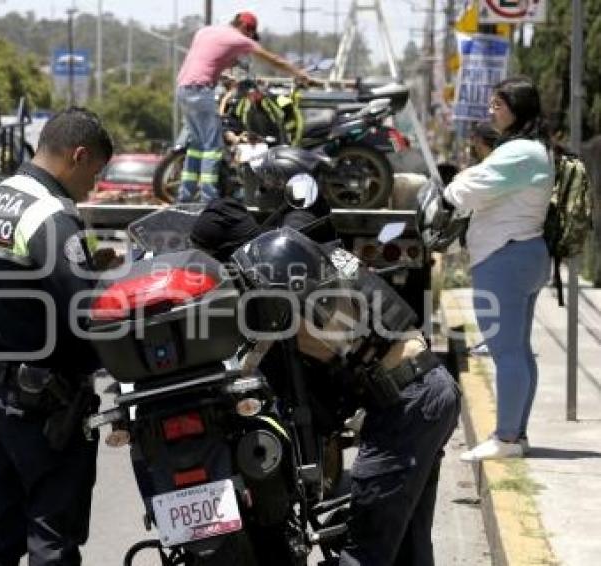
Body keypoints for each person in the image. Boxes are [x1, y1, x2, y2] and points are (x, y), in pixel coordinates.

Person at [190, 196, 461, 566]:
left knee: (363, 552)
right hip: (425, 389)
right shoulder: (304, 252)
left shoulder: (279, 272)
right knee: (407, 549)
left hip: (409, 402)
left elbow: (271, 350)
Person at [0, 107, 113, 565]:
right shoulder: (50, 216)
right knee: (52, 538)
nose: (94, 185)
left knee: (2, 530)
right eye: (94, 172)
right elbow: (88, 311)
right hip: (45, 403)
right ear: (78, 155)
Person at [444, 77, 554, 461]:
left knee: (505, 352)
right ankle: (516, 434)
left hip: (504, 257)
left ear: (516, 109)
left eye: (498, 104)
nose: (491, 110)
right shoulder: (532, 149)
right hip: (525, 254)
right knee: (518, 351)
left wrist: (451, 186)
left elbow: (471, 188)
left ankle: (505, 439)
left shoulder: (519, 152)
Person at [176, 11, 310, 202]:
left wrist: (223, 75)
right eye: (250, 34)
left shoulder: (206, 32)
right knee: (213, 147)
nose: (249, 39)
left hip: (183, 89)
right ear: (247, 28)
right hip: (200, 91)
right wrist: (298, 73)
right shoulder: (239, 39)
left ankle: (184, 197)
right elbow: (273, 59)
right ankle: (209, 200)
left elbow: (207, 58)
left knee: (197, 145)